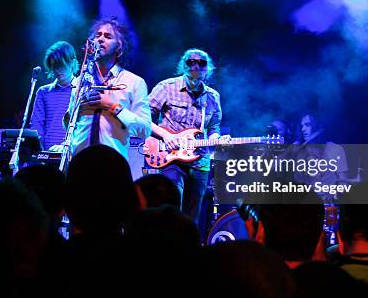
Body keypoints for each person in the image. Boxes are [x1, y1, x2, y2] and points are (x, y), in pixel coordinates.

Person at [148, 48, 229, 228]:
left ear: (208, 69)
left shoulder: (213, 96)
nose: (196, 65)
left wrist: (217, 138)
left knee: (192, 215)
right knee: (171, 207)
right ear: (183, 66)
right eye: (191, 62)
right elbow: (143, 116)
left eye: (201, 63)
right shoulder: (166, 87)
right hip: (171, 157)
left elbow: (214, 127)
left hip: (200, 160)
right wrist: (166, 135)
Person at [66, 18, 151, 161]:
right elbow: (68, 126)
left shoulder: (134, 82)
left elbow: (144, 130)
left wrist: (112, 106)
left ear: (119, 46)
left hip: (113, 162)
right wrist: (76, 109)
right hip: (78, 160)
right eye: (97, 35)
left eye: (107, 36)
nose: (100, 39)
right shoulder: (81, 79)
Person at [30, 41, 78, 151]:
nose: (57, 70)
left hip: (72, 154)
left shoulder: (81, 91)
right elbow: (36, 125)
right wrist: (40, 150)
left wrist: (66, 146)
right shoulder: (43, 92)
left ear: (72, 63)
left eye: (61, 65)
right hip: (47, 154)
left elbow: (83, 127)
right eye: (53, 66)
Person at [292, 113, 350, 201]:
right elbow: (298, 181)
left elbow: (344, 181)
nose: (303, 129)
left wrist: (333, 195)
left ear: (317, 126)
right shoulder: (301, 150)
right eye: (302, 126)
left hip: (328, 202)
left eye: (307, 125)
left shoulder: (335, 149)